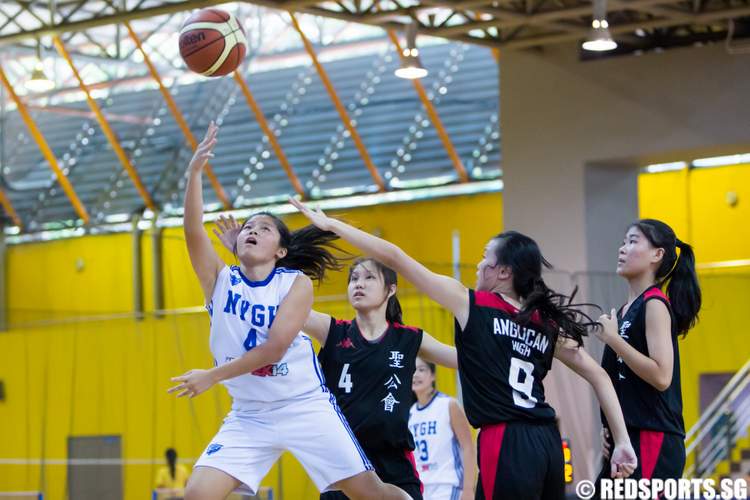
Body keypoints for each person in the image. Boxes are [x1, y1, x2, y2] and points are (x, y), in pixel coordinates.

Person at [289, 198, 638, 500]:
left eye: (485, 258)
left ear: (502, 271)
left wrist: (330, 224)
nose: (479, 264)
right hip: (547, 442)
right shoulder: (542, 322)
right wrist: (622, 439)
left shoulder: (475, 305)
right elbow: (599, 376)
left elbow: (394, 257)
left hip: (505, 439)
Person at [167, 122, 410, 500]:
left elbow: (274, 349)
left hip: (303, 405)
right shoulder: (220, 279)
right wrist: (195, 172)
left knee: (370, 494)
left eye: (264, 229)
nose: (252, 230)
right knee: (197, 494)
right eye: (248, 226)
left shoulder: (294, 283)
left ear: (281, 251)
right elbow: (192, 231)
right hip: (249, 413)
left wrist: (212, 376)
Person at [215, 217, 457, 499]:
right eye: (354, 278)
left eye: (369, 278)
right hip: (342, 462)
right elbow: (271, 297)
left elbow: (461, 359)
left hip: (393, 462)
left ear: (390, 290)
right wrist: (248, 255)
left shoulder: (409, 337)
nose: (359, 284)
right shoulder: (332, 330)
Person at [596, 219, 701, 483]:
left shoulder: (654, 303)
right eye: (623, 242)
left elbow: (661, 376)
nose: (622, 249)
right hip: (626, 439)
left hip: (654, 438)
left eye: (632, 242)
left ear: (657, 254)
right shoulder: (622, 311)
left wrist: (614, 339)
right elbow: (618, 384)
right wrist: (609, 429)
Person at [409, 358, 476, 500]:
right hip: (421, 489)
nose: (416, 375)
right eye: (413, 370)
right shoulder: (409, 414)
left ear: (432, 375)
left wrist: (468, 489)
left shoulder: (449, 405)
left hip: (447, 486)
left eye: (421, 370)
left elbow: (468, 446)